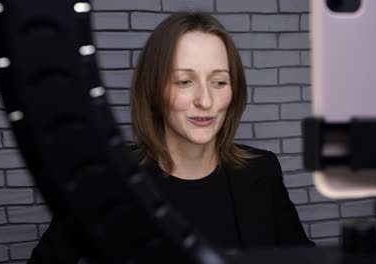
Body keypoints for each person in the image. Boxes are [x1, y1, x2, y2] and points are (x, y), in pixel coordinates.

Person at [28, 11, 313, 263]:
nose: (205, 100)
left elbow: (304, 257)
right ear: (153, 91)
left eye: (219, 82)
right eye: (184, 81)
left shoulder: (262, 170)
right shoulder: (105, 178)